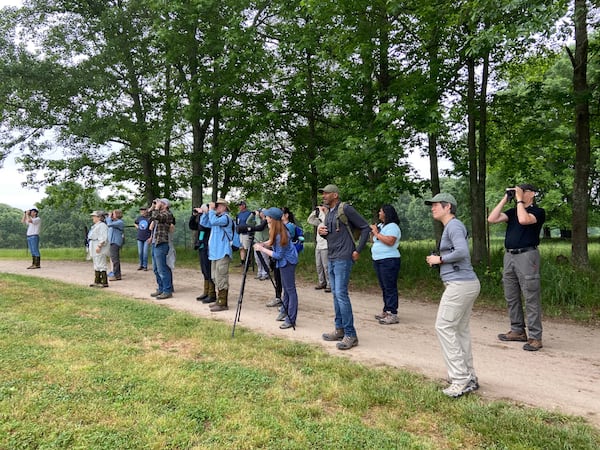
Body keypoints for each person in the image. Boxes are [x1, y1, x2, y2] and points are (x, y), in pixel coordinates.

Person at [425, 193, 480, 398]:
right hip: (465, 284)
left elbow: (463, 252)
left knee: (444, 326)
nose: (432, 208)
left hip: (460, 284)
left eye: (435, 205)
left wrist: (439, 259)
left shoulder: (454, 226)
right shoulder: (452, 227)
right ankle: (469, 377)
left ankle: (460, 379)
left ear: (448, 207)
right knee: (459, 330)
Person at [487, 184, 546, 352]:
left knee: (530, 296)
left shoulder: (538, 212)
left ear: (532, 193)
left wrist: (519, 199)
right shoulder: (513, 212)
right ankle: (517, 330)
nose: (519, 193)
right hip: (509, 256)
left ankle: (535, 337)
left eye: (523, 191)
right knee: (511, 295)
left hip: (527, 255)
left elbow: (524, 220)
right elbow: (491, 219)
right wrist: (506, 198)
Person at [317, 184, 370, 350]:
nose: (323, 196)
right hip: (332, 256)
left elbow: (365, 227)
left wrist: (358, 250)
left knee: (340, 294)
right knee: (335, 294)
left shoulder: (345, 208)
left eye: (326, 193)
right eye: (323, 194)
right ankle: (339, 330)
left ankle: (351, 334)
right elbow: (333, 236)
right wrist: (321, 233)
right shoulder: (330, 213)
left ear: (335, 195)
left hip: (343, 257)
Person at [254, 207, 299, 330]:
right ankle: (285, 310)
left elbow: (278, 255)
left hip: (287, 262)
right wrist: (264, 244)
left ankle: (291, 319)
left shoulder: (281, 234)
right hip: (284, 262)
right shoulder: (276, 229)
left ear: (273, 219)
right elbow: (271, 241)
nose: (266, 218)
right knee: (285, 288)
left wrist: (262, 249)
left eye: (268, 217)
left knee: (290, 290)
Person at [200, 198, 233, 312]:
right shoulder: (216, 217)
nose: (216, 207)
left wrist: (211, 210)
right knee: (214, 277)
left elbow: (213, 221)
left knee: (221, 277)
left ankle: (223, 303)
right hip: (214, 253)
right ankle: (219, 300)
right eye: (216, 205)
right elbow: (204, 223)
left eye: (218, 205)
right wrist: (205, 212)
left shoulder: (225, 218)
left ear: (224, 207)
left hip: (223, 252)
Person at [370, 204, 402, 325]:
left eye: (381, 211)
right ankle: (386, 310)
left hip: (389, 260)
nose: (379, 213)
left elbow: (390, 241)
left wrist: (377, 233)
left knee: (390, 286)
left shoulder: (392, 226)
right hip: (378, 259)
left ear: (386, 213)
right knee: (384, 286)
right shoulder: (381, 226)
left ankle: (392, 313)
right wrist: (373, 232)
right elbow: (373, 240)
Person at [148, 198, 175, 300]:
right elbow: (148, 218)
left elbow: (157, 216)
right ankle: (161, 288)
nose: (157, 204)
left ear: (165, 205)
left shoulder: (168, 214)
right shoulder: (157, 213)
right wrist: (152, 208)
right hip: (155, 243)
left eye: (160, 203)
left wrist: (156, 208)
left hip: (162, 243)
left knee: (162, 268)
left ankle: (167, 290)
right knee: (155, 269)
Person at [189, 205, 215, 303]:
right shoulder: (202, 217)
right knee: (204, 270)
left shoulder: (209, 219)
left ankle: (212, 293)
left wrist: (202, 214)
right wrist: (194, 216)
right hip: (201, 246)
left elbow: (203, 227)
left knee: (208, 269)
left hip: (208, 247)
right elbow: (192, 226)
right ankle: (206, 291)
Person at [307, 205, 330, 292]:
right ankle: (322, 282)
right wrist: (315, 211)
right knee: (319, 265)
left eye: (324, 208)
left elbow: (325, 221)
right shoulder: (320, 222)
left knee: (326, 266)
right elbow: (310, 220)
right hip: (318, 246)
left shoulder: (328, 219)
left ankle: (329, 284)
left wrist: (322, 211)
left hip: (325, 246)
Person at [87, 210, 110, 288]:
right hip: (94, 244)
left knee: (101, 263)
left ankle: (104, 281)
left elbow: (104, 237)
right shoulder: (96, 225)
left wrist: (100, 245)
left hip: (98, 245)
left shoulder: (102, 225)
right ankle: (97, 280)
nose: (93, 218)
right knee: (96, 263)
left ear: (99, 217)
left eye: (94, 216)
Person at [106, 209, 125, 281]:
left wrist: (108, 217)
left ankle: (116, 274)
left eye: (113, 214)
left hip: (115, 242)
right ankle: (117, 274)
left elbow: (109, 224)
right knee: (114, 258)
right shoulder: (114, 222)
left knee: (115, 259)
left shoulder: (119, 222)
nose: (112, 215)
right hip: (112, 242)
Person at [236, 201, 253, 267]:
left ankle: (248, 261)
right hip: (240, 233)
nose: (239, 207)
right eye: (239, 206)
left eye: (240, 205)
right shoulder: (239, 214)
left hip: (246, 233)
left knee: (247, 247)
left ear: (244, 205)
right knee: (241, 247)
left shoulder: (249, 213)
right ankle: (242, 261)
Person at [134, 206, 151, 271]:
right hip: (140, 237)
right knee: (140, 252)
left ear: (147, 211)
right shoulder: (139, 218)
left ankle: (145, 265)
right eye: (141, 211)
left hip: (147, 237)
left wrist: (150, 237)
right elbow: (135, 223)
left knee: (145, 252)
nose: (142, 212)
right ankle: (140, 264)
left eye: (144, 210)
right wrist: (137, 227)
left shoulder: (149, 218)